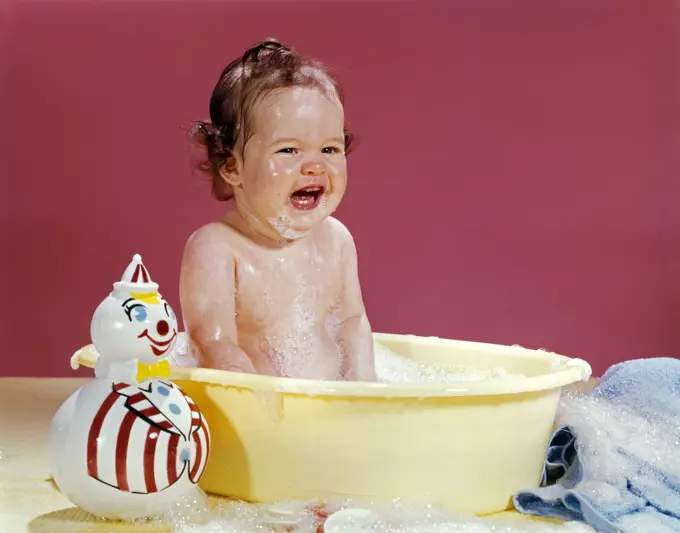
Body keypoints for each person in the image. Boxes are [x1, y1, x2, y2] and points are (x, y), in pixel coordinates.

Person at [179, 39, 376, 381]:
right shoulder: (217, 248)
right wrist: (252, 400)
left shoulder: (336, 239)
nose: (314, 166)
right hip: (262, 414)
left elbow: (352, 323)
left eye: (330, 149)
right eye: (288, 150)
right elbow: (212, 344)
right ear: (232, 167)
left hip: (332, 407)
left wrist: (365, 389)